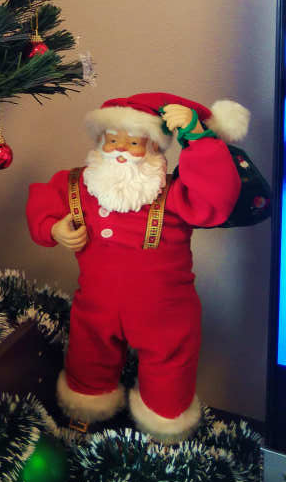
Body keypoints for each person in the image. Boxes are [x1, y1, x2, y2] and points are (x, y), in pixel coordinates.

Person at [26, 92, 249, 443]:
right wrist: (52, 227)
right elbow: (43, 197)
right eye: (111, 140)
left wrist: (199, 139)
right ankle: (83, 416)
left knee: (169, 371)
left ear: (155, 147)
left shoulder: (174, 193)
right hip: (96, 306)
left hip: (165, 315)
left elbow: (216, 199)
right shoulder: (78, 185)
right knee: (87, 357)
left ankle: (164, 433)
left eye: (133, 143)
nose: (120, 150)